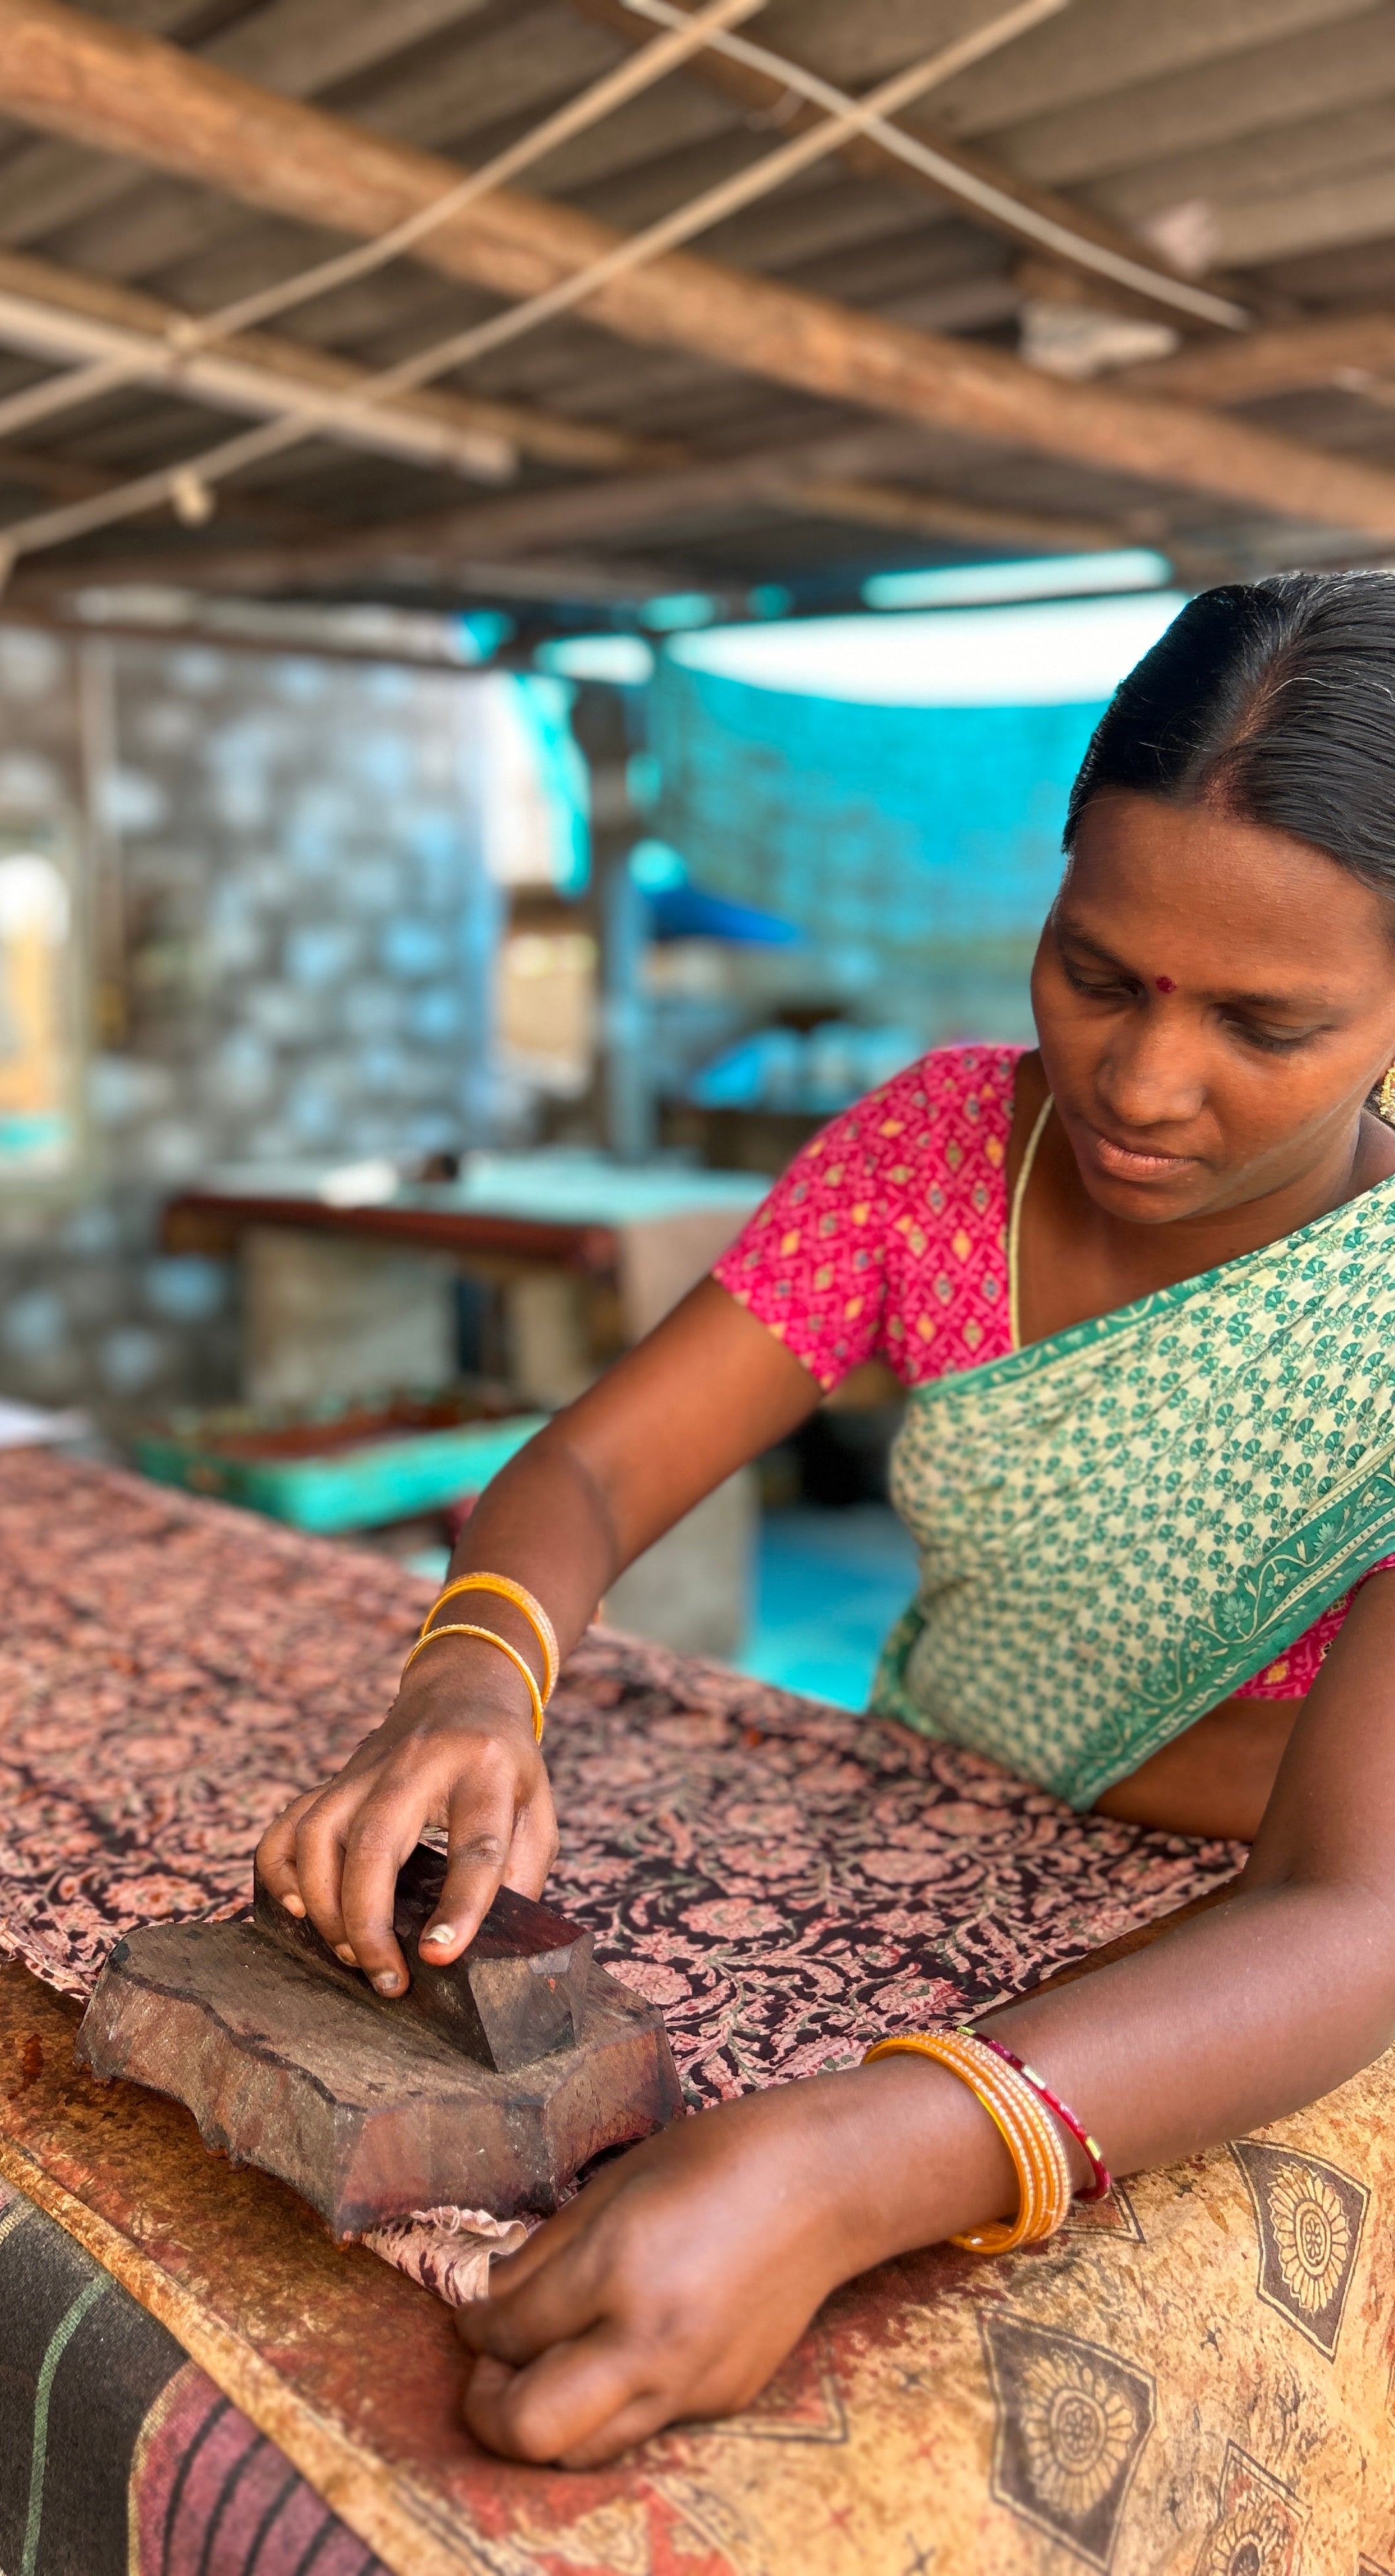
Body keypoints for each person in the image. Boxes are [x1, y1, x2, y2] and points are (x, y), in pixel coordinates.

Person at [258, 571, 1395, 2468]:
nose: (1139, 1081)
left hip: (1246, 1988)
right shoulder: (938, 1156)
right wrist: (467, 1691)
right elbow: (593, 1470)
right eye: (1096, 972)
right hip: (924, 1832)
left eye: (1263, 1023)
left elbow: (1353, 1909)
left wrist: (853, 2163)